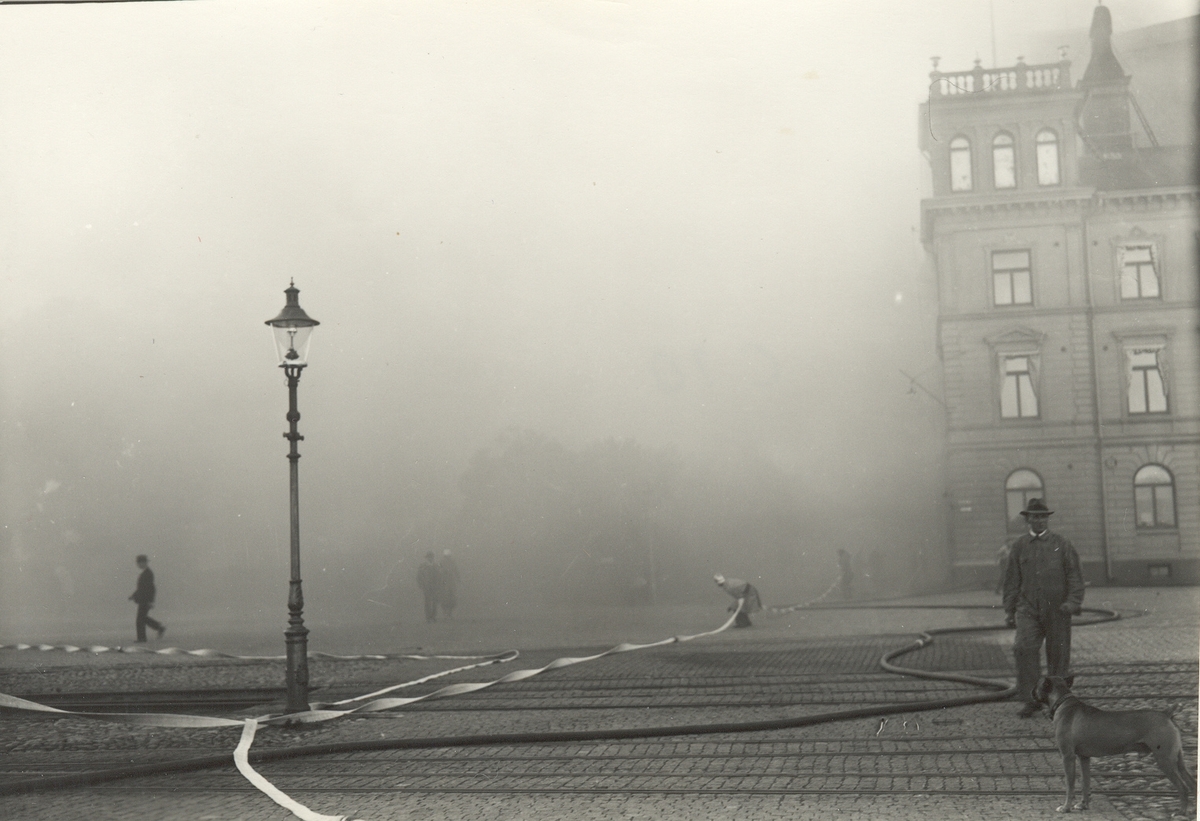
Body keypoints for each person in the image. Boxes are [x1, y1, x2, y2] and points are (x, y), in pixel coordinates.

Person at [1002, 498, 1085, 718]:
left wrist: (1072, 602)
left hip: (1058, 609)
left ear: (1047, 519)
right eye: (1034, 517)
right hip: (1028, 608)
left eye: (1042, 517)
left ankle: (1057, 702)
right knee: (1023, 649)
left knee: (1058, 656)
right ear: (1027, 520)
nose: (1039, 521)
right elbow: (1011, 580)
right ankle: (1031, 699)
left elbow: (1075, 575)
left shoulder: (1062, 544)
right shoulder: (1019, 546)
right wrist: (1009, 610)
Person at [128, 554, 165, 643]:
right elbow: (141, 588)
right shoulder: (146, 573)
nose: (138, 565)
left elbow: (151, 588)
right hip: (143, 599)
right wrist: (133, 596)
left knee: (140, 619)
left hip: (145, 600)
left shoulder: (148, 573)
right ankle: (158, 627)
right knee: (142, 618)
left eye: (139, 563)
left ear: (143, 563)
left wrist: (150, 601)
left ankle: (143, 638)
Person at [417, 551, 441, 623]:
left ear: (433, 558)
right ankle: (428, 617)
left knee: (434, 602)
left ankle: (433, 617)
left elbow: (440, 576)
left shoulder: (436, 566)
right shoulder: (422, 566)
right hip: (426, 586)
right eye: (429, 557)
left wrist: (439, 584)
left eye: (431, 557)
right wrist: (421, 585)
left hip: (435, 586)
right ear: (427, 558)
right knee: (427, 602)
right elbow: (419, 576)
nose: (430, 558)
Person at [437, 549, 460, 619]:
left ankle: (449, 613)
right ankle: (445, 613)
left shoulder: (452, 562)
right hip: (444, 582)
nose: (447, 558)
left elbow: (456, 571)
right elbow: (438, 571)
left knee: (452, 597)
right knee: (444, 597)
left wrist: (458, 578)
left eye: (448, 557)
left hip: (451, 582)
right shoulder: (441, 562)